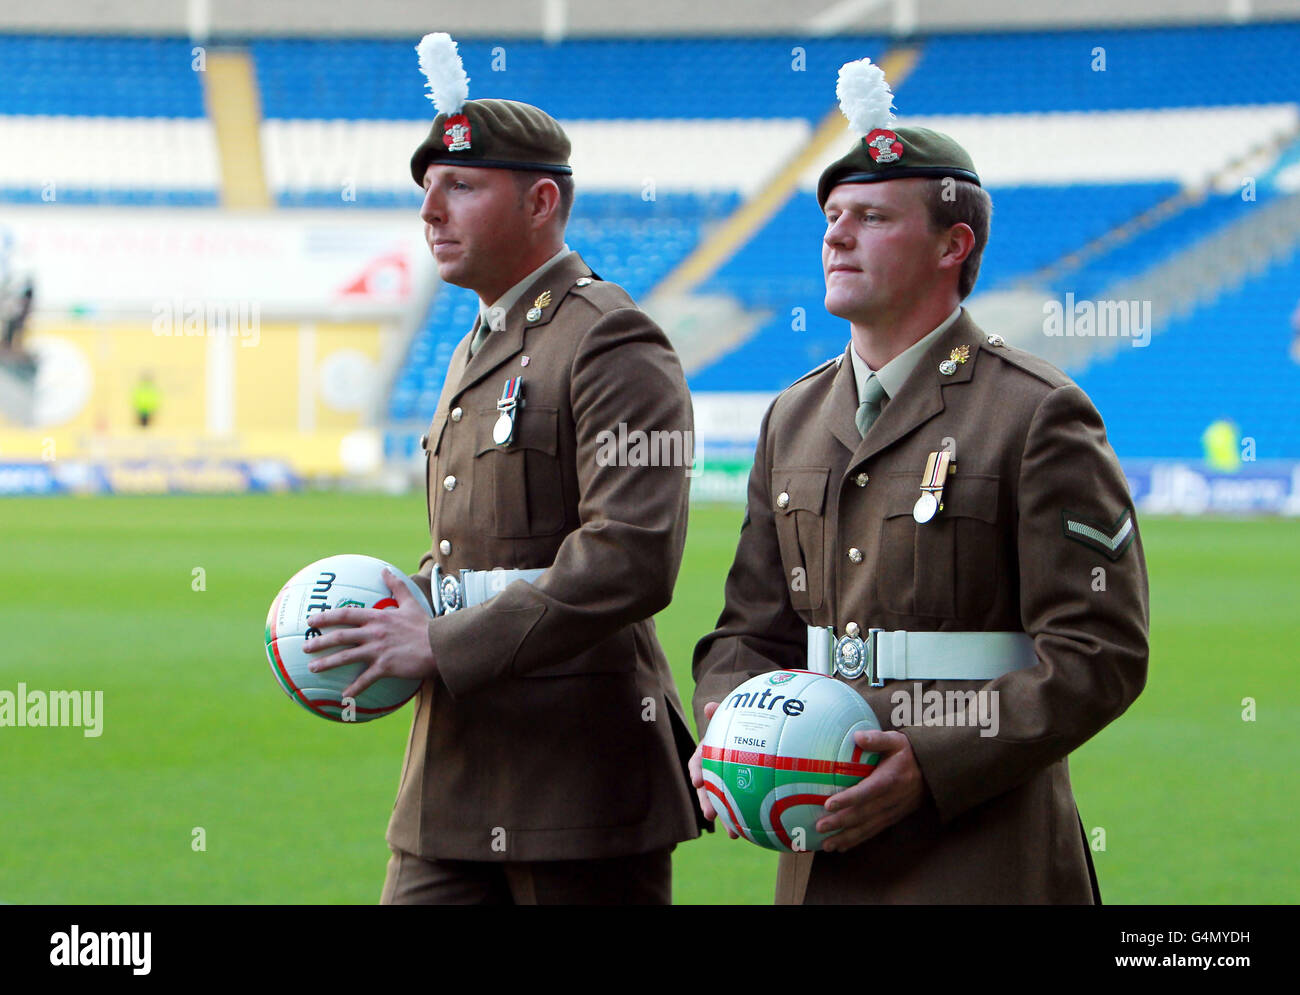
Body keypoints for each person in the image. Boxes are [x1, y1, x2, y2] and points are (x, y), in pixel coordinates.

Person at [690, 57, 1149, 904]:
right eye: (832, 215)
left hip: (981, 853)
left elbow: (1099, 652)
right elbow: (747, 633)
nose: (835, 234)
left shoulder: (1037, 414)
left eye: (870, 216)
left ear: (953, 244)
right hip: (816, 848)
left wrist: (932, 759)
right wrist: (727, 721)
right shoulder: (789, 418)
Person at [303, 32, 702, 904]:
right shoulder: (475, 345)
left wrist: (439, 639)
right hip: (452, 777)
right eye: (426, 192)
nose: (429, 212)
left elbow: (631, 554)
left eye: (460, 188)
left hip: (578, 784)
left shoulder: (608, 337)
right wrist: (393, 606)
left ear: (541, 201)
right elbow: (478, 555)